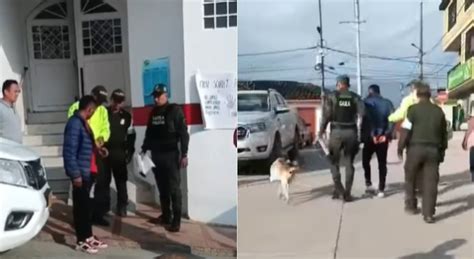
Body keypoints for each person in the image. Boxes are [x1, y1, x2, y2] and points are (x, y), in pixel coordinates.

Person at [63, 95, 108, 254]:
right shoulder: (74, 124)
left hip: (87, 171)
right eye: (93, 111)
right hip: (80, 173)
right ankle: (81, 239)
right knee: (81, 208)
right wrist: (75, 174)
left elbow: (86, 146)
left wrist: (98, 150)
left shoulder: (84, 124)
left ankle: (88, 235)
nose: (93, 113)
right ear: (89, 109)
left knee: (86, 206)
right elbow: (69, 152)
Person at [142, 84, 190, 232]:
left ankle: (176, 221)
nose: (156, 98)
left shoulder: (174, 110)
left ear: (166, 95)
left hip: (171, 155)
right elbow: (149, 133)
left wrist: (184, 154)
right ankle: (166, 216)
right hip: (156, 155)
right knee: (162, 188)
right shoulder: (154, 112)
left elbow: (183, 134)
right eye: (154, 96)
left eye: (158, 95)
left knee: (174, 189)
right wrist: (144, 149)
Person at [398, 81, 447, 224]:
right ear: (429, 95)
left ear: (418, 95)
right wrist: (442, 152)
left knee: (410, 177)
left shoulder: (413, 110)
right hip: (433, 151)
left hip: (415, 149)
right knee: (431, 182)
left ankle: (411, 206)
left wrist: (400, 147)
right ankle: (429, 214)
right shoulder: (438, 111)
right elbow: (444, 134)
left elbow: (406, 130)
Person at [68, 85, 111, 226]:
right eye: (97, 100)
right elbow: (74, 129)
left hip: (95, 151)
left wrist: (100, 140)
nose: (98, 105)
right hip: (82, 154)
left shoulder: (103, 110)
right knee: (81, 190)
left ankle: (97, 214)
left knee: (100, 185)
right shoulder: (76, 107)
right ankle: (81, 219)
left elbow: (106, 128)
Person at [319, 75, 365, 202]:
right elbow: (362, 115)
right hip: (351, 132)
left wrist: (321, 132)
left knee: (334, 161)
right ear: (348, 85)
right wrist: (360, 134)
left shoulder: (332, 96)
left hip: (336, 132)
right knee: (349, 162)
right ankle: (347, 193)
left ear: (338, 84)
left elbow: (326, 116)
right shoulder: (355, 97)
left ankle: (339, 189)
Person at [103, 89, 136, 217]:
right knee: (104, 181)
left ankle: (122, 206)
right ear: (111, 100)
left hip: (120, 152)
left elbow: (131, 135)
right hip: (105, 153)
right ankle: (104, 206)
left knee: (121, 181)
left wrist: (130, 150)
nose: (117, 104)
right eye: (115, 101)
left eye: (120, 102)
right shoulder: (103, 113)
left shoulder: (127, 116)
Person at [361, 84, 395, 198]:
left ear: (369, 91)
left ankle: (369, 184)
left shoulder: (365, 103)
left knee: (366, 161)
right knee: (382, 163)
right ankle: (381, 189)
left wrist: (367, 135)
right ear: (379, 92)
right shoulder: (388, 103)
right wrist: (386, 134)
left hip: (369, 138)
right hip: (382, 138)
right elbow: (392, 120)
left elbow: (362, 121)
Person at [462, 108, 474, 182]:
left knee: (473, 159)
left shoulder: (472, 120)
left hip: (473, 143)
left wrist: (465, 141)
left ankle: (473, 175)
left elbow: (469, 131)